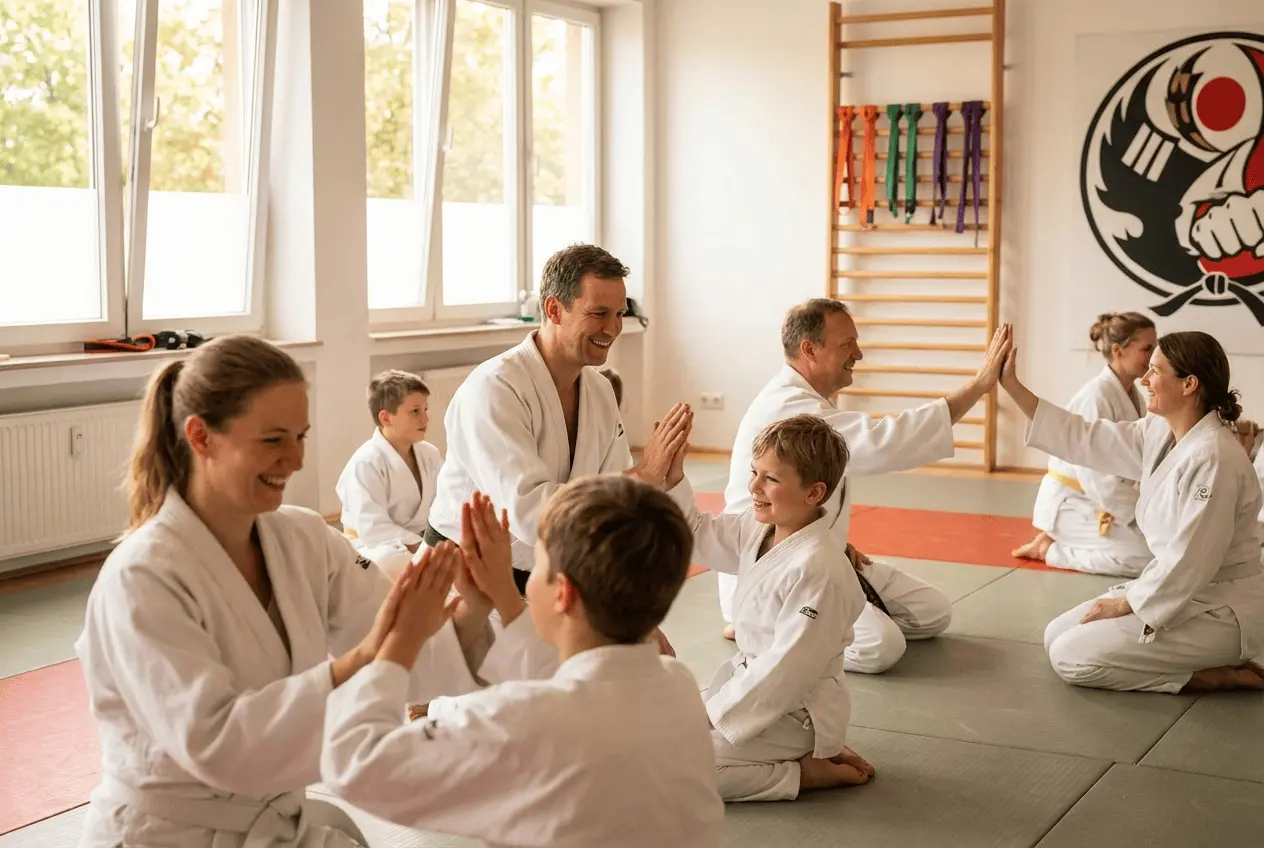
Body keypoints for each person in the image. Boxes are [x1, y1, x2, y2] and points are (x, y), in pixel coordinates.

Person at [74, 336, 488, 848]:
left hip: (278, 821)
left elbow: (408, 654)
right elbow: (219, 745)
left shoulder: (302, 537)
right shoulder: (143, 576)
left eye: (300, 437)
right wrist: (370, 655)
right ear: (201, 436)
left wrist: (477, 603)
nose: (294, 460)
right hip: (165, 835)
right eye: (272, 440)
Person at [320, 478, 724, 847]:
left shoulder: (515, 719)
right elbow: (573, 689)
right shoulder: (678, 685)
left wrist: (402, 641)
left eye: (537, 567)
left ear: (563, 592)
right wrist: (501, 593)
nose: (527, 583)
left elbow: (357, 767)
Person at [716, 298, 1013, 674]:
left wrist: (832, 544)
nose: (858, 353)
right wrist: (978, 386)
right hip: (774, 571)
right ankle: (763, 631)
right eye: (847, 344)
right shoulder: (791, 408)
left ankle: (805, 623)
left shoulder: (807, 401)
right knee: (880, 647)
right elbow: (886, 440)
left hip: (815, 555)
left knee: (932, 611)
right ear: (810, 349)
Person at [423, 243, 687, 650]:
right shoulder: (495, 389)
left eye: (619, 314)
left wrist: (631, 619)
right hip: (467, 587)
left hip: (554, 585)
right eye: (598, 313)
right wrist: (641, 477)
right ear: (553, 308)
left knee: (646, 659)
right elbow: (530, 514)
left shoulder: (599, 391)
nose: (613, 328)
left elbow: (614, 512)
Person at [999, 325, 1264, 693]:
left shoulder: (1213, 457)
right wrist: (1012, 386)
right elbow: (1085, 436)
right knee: (1054, 635)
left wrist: (1130, 603)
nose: (1145, 379)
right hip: (1180, 591)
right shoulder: (1159, 432)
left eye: (1155, 370)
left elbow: (1192, 559)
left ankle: (1214, 674)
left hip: (1222, 607)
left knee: (1070, 657)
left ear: (1189, 384)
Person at [654, 414, 876, 801]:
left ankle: (802, 773)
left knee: (672, 771)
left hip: (793, 710)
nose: (753, 486)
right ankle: (797, 754)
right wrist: (672, 478)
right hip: (749, 690)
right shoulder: (758, 529)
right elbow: (696, 534)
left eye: (770, 479)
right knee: (647, 735)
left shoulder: (820, 569)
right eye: (753, 472)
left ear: (814, 492)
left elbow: (788, 668)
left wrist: (712, 716)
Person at [1012, 312, 1157, 576]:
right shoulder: (1095, 398)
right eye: (1147, 348)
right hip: (1074, 502)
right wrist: (1139, 516)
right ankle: (1050, 550)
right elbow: (1095, 477)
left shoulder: (1133, 396)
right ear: (1118, 350)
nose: (1153, 356)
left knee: (1162, 551)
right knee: (1145, 559)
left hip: (1104, 500)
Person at [335, 370, 443, 578]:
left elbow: (445, 502)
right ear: (385, 418)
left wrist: (441, 541)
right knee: (392, 561)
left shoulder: (429, 454)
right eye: (415, 411)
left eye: (425, 409)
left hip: (421, 544)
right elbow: (373, 529)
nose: (425, 418)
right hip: (372, 548)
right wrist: (425, 547)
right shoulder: (365, 463)